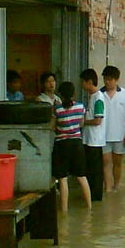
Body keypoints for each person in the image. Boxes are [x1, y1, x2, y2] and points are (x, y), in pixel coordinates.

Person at [52, 81, 92, 212]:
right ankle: (89, 207)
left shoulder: (57, 109)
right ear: (73, 93)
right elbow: (81, 124)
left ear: (61, 94)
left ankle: (64, 210)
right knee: (81, 176)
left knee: (63, 178)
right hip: (77, 144)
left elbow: (53, 127)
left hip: (62, 144)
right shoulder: (81, 107)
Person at [100, 66, 125, 192]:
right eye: (105, 79)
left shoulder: (124, 94)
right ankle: (108, 188)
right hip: (103, 136)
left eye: (110, 79)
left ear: (116, 79)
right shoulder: (100, 94)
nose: (107, 82)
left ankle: (116, 186)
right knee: (106, 162)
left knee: (117, 163)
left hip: (120, 135)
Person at [80, 68, 106, 201]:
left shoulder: (99, 98)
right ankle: (90, 196)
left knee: (95, 172)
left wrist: (84, 122)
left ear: (89, 82)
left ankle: (95, 197)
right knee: (90, 170)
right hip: (89, 139)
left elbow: (98, 120)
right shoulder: (92, 97)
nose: (82, 85)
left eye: (83, 82)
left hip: (95, 140)